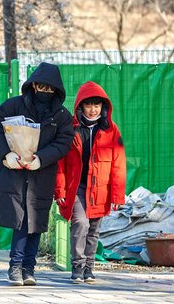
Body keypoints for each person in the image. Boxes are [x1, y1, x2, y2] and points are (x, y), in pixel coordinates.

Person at [0, 62, 74, 286]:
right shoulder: (15, 105)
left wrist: (42, 158)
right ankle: (16, 267)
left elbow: (64, 141)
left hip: (41, 174)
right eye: (40, 87)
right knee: (20, 221)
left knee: (36, 221)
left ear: (56, 90)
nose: (44, 92)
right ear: (33, 85)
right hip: (14, 173)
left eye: (49, 88)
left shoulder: (61, 115)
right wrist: (6, 154)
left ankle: (29, 269)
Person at [55, 81, 126, 283]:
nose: (93, 110)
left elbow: (118, 164)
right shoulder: (69, 128)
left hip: (100, 188)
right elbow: (60, 162)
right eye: (89, 105)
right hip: (76, 187)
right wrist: (59, 190)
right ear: (80, 106)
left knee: (94, 229)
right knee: (80, 223)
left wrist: (117, 195)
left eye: (97, 105)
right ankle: (77, 266)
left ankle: (89, 268)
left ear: (103, 107)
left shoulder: (111, 130)